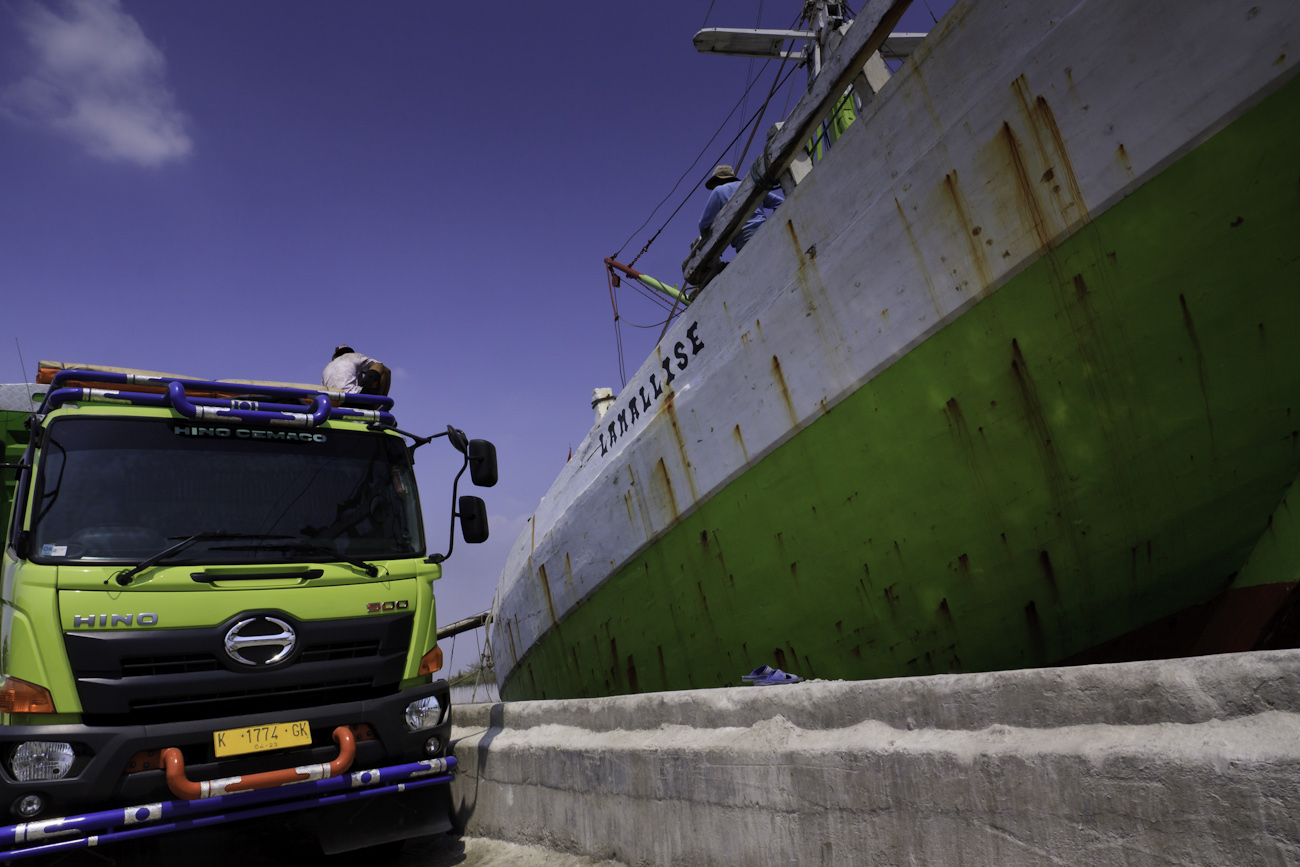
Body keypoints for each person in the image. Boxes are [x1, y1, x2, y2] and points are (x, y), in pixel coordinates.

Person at [698, 164, 784, 253]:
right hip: (768, 231)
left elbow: (704, 224)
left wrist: (711, 248)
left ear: (717, 180)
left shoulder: (719, 191)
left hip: (745, 242)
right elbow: (779, 203)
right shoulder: (751, 186)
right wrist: (774, 222)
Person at [322, 345, 391, 395]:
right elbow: (385, 369)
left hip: (333, 402)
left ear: (334, 357)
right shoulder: (354, 356)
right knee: (380, 367)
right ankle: (378, 405)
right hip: (353, 398)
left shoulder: (327, 368)